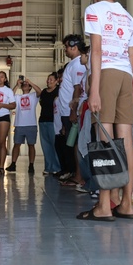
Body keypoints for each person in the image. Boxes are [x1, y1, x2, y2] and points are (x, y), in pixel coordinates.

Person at [78, 0, 133, 222]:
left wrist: (94, 89)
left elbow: (97, 49)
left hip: (106, 74)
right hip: (126, 74)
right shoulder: (128, 16)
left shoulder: (93, 9)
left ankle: (103, 205)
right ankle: (126, 203)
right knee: (126, 140)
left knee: (104, 136)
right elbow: (132, 56)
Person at [55, 35, 86, 183]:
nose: (65, 50)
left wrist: (73, 111)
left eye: (66, 46)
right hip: (66, 112)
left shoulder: (77, 64)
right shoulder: (73, 64)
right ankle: (76, 174)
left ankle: (79, 176)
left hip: (71, 112)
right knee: (71, 143)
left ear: (74, 46)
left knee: (75, 144)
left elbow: (77, 89)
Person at [7, 76, 40, 174]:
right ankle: (13, 164)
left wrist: (31, 82)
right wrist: (17, 85)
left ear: (30, 87)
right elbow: (10, 96)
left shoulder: (33, 96)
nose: (25, 85)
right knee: (16, 145)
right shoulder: (18, 97)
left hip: (31, 124)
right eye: (24, 84)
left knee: (31, 145)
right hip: (19, 124)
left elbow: (40, 92)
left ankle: (31, 165)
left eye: (27, 84)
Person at [38, 71, 62, 175]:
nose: (49, 81)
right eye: (48, 79)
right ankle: (48, 167)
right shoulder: (43, 92)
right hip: (43, 121)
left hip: (54, 121)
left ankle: (57, 167)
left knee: (54, 145)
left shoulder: (58, 91)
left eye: (51, 79)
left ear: (57, 81)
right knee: (45, 145)